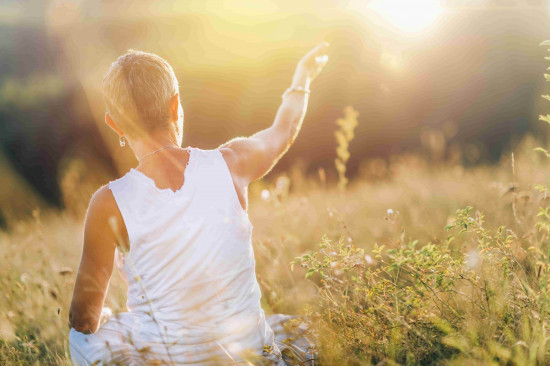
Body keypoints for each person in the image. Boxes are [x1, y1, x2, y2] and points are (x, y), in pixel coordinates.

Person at [68, 42, 329, 365]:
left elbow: (84, 319)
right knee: (283, 330)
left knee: (80, 336)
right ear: (176, 105)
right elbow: (282, 131)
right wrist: (301, 78)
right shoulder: (232, 162)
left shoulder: (108, 203)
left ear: (115, 124)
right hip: (252, 358)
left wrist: (105, 316)